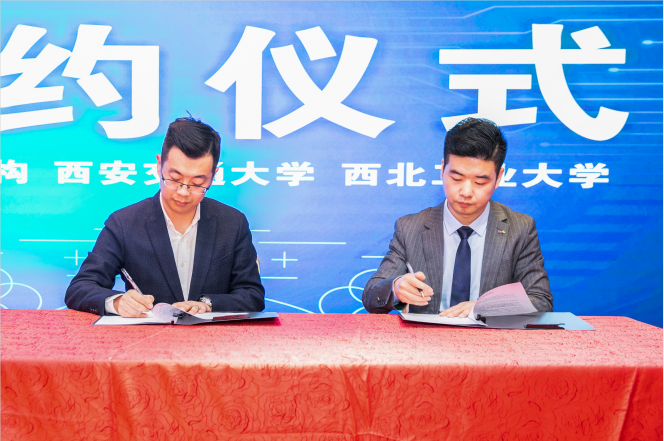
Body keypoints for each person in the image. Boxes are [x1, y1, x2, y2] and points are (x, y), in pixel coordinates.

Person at [65, 116, 265, 317]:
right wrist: (117, 302)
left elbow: (252, 295)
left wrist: (208, 304)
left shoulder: (233, 223)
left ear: (213, 176)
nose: (183, 192)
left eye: (197, 183)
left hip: (214, 337)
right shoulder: (124, 223)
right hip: (146, 336)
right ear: (159, 164)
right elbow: (80, 288)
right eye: (175, 179)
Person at [362, 117, 552, 317]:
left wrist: (486, 307)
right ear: (442, 169)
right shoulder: (410, 228)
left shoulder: (520, 229)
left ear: (498, 177)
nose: (466, 192)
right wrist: (396, 288)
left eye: (480, 182)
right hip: (425, 336)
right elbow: (371, 296)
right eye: (457, 178)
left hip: (490, 336)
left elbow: (540, 300)